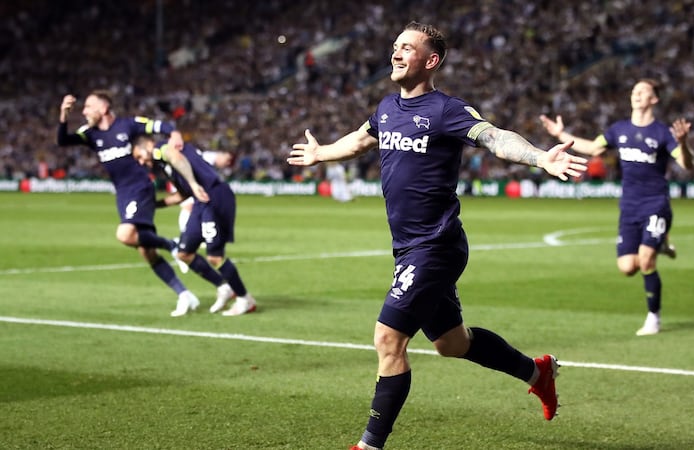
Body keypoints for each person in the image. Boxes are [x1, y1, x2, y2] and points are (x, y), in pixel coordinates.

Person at [288, 21, 587, 450]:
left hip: (436, 246)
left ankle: (369, 445)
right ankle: (538, 372)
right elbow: (360, 140)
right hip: (409, 247)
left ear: (431, 61)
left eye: (407, 48)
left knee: (388, 340)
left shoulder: (445, 110)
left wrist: (540, 158)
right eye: (395, 46)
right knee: (452, 343)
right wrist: (321, 153)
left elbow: (493, 136)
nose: (395, 53)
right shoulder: (388, 107)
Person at [539, 78, 694, 336]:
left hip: (655, 203)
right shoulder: (618, 130)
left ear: (654, 99)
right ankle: (662, 243)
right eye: (634, 90)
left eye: (643, 91)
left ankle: (653, 318)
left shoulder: (663, 133)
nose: (637, 94)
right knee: (627, 267)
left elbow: (687, 165)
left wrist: (685, 143)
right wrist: (560, 135)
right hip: (629, 206)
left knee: (646, 260)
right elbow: (592, 148)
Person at [56, 90, 203, 317]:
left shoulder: (128, 125)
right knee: (147, 252)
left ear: (103, 109)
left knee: (125, 234)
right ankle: (185, 295)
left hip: (140, 187)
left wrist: (173, 133)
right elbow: (63, 140)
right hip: (123, 194)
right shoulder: (90, 134)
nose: (84, 112)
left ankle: (173, 245)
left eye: (88, 107)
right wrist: (63, 114)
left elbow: (159, 125)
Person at [132, 135, 257, 316]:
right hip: (201, 201)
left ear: (147, 145)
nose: (142, 161)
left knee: (215, 256)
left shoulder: (161, 149)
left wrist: (192, 183)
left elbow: (177, 157)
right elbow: (182, 195)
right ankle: (224, 287)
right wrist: (153, 205)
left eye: (139, 156)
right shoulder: (163, 163)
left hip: (214, 195)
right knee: (184, 253)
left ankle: (245, 299)